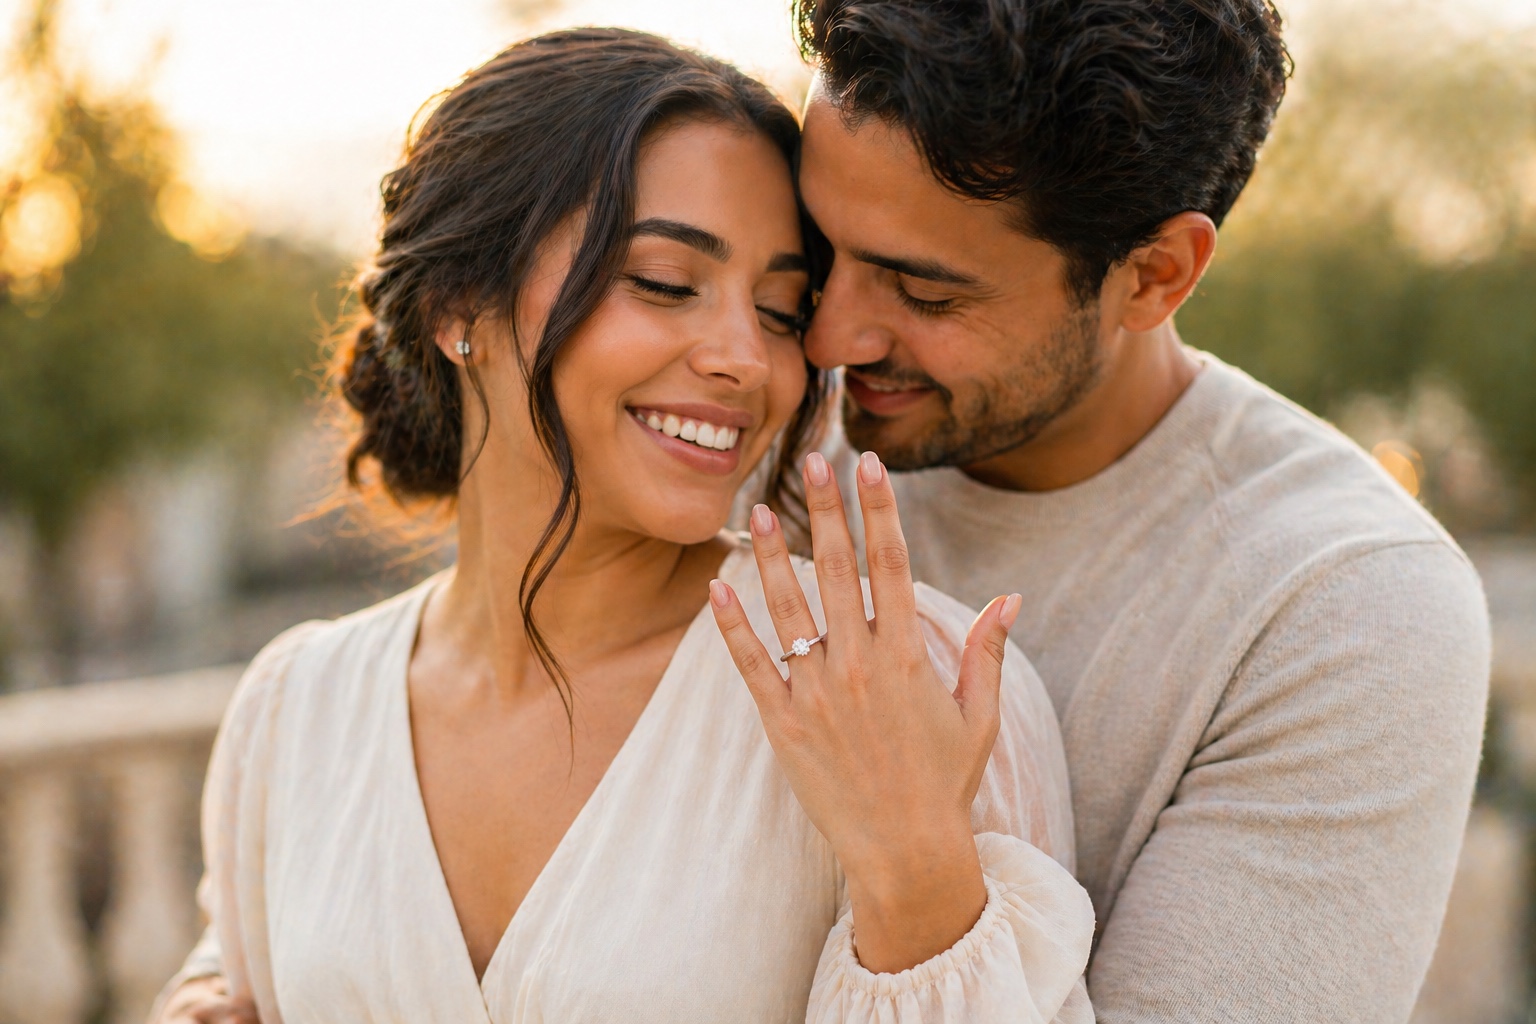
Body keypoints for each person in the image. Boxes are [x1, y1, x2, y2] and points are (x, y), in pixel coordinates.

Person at [152, 28, 1096, 1024]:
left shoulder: (916, 691)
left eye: (781, 310)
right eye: (663, 283)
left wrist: (919, 882)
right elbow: (233, 972)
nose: (745, 358)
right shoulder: (297, 708)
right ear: (458, 301)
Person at [786, 0, 1490, 1020]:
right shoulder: (739, 425)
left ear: (1155, 276)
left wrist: (916, 872)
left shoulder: (1343, 604)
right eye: (817, 245)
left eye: (924, 294)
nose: (827, 337)